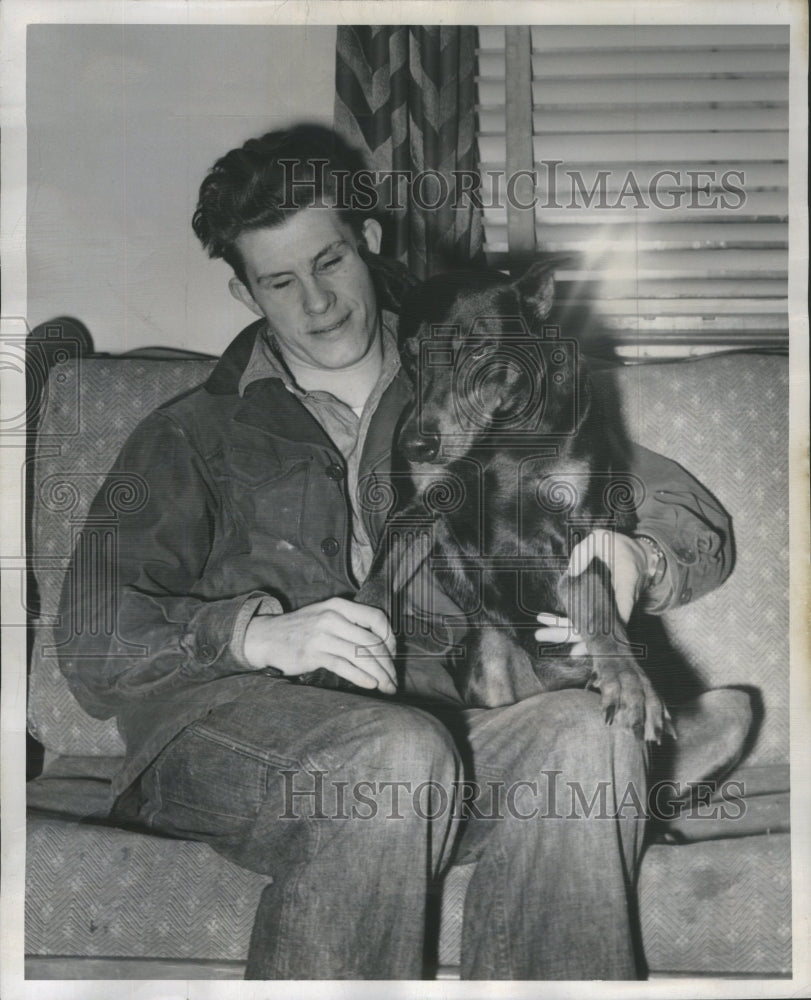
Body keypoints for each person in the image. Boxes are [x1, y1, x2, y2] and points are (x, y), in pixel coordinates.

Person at [56, 125, 734, 980]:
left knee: (587, 731)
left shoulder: (470, 375)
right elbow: (89, 641)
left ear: (367, 242)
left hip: (436, 741)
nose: (317, 303)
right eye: (279, 280)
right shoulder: (191, 432)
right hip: (225, 737)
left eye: (330, 262)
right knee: (395, 752)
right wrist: (255, 635)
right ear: (242, 290)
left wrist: (636, 556)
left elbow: (684, 512)